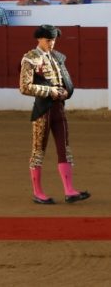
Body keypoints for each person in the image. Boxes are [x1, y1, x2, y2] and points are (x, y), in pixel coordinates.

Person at [19, 25, 90, 204]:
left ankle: (69, 191)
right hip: (43, 110)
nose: (51, 43)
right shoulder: (30, 58)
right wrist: (50, 91)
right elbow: (24, 87)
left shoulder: (57, 57)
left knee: (64, 150)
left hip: (59, 109)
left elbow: (66, 82)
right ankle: (38, 192)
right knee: (38, 152)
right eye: (48, 40)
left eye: (53, 40)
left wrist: (66, 92)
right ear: (39, 39)